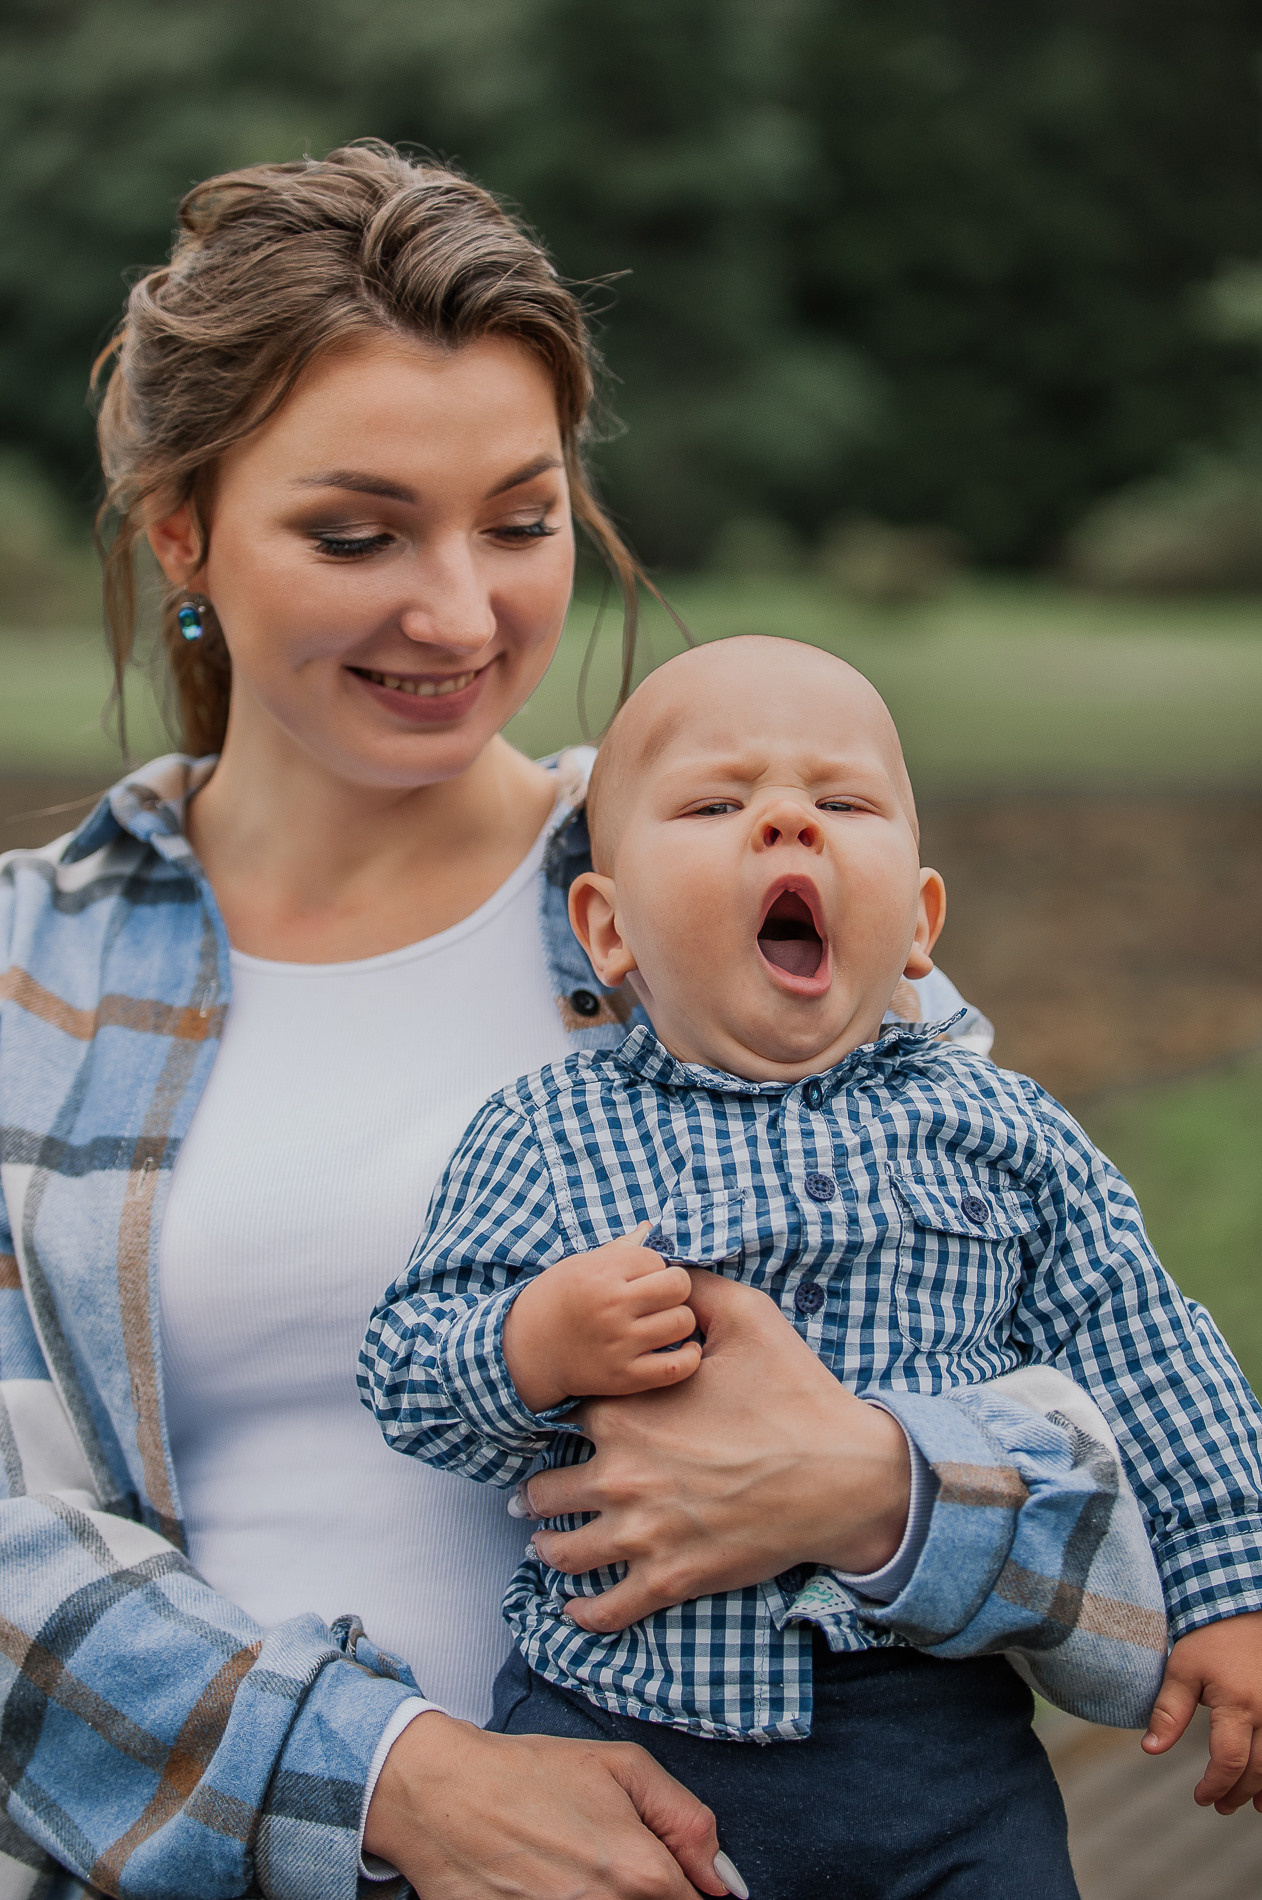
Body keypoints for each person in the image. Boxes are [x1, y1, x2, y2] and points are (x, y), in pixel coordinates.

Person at [0, 140, 1004, 1900]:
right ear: (183, 532)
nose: (459, 614)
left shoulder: (745, 906)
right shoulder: (27, 968)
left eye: (520, 522)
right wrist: (390, 1778)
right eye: (353, 531)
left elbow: (1090, 1401)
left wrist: (881, 1485)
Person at [363, 637, 1262, 1899]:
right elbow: (403, 1367)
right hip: (616, 1727)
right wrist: (529, 1342)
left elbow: (1149, 1352)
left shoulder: (999, 1128)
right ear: (608, 929)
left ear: (918, 925)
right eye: (717, 804)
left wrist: (1231, 1591)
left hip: (931, 1736)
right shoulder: (547, 1132)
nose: (786, 817)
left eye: (840, 804)